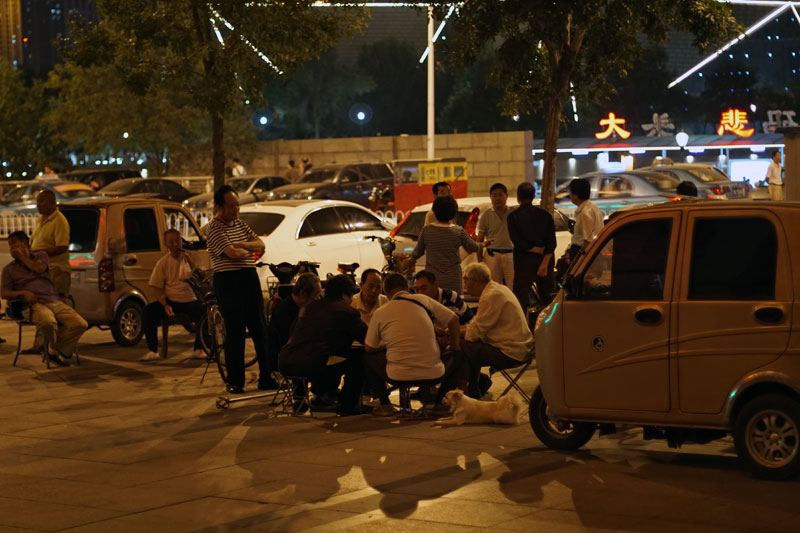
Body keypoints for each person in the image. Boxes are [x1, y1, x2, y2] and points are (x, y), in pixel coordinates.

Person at [364, 273, 467, 416]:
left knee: (366, 356)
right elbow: (454, 319)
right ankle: (440, 404)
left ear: (385, 293)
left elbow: (369, 347)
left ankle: (385, 404)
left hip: (397, 375)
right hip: (434, 373)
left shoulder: (380, 312)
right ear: (408, 287)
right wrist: (454, 347)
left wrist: (386, 345)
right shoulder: (423, 300)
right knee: (460, 355)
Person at [206, 185, 273, 394]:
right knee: (235, 331)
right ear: (219, 206)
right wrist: (245, 250)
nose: (236, 210)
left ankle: (266, 377)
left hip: (249, 279)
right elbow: (232, 254)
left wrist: (242, 244)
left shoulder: (241, 225)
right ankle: (235, 381)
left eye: (237, 205)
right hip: (228, 281)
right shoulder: (214, 228)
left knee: (260, 329)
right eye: (231, 206)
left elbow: (261, 245)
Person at [278, 275, 367, 415]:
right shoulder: (345, 311)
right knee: (358, 358)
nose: (351, 300)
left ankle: (323, 396)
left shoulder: (310, 307)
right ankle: (347, 405)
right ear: (345, 295)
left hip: (285, 362)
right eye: (351, 296)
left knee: (330, 355)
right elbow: (367, 338)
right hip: (312, 364)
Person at [1, 231, 87, 366]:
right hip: (32, 305)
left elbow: (39, 268)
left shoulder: (41, 256)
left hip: (53, 300)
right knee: (48, 322)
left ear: (25, 244)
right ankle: (53, 351)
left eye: (14, 245)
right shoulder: (9, 269)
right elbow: (4, 293)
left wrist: (23, 257)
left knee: (80, 324)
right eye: (10, 246)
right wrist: (23, 292)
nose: (12, 249)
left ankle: (55, 351)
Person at [460, 263, 534, 399]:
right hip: (519, 348)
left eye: (466, 280)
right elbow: (477, 325)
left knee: (464, 347)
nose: (465, 285)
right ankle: (476, 387)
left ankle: (472, 391)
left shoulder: (491, 296)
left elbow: (474, 333)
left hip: (511, 352)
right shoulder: (497, 289)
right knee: (468, 349)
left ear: (476, 281)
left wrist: (453, 332)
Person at [140, 229, 206, 362]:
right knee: (148, 311)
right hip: (172, 301)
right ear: (166, 245)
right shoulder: (163, 262)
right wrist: (165, 304)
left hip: (190, 300)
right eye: (172, 242)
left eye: (178, 240)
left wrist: (190, 262)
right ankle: (153, 350)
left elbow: (201, 278)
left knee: (205, 311)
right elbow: (156, 286)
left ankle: (199, 348)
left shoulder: (193, 257)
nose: (176, 244)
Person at [409, 195, 481, 294]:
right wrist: (483, 244)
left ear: (434, 211)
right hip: (453, 279)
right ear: (454, 213)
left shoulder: (427, 230)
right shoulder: (458, 231)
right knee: (454, 306)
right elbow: (473, 247)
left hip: (432, 280)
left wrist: (410, 261)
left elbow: (417, 252)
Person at [507, 182, 556, 311]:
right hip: (545, 263)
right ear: (533, 196)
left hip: (524, 264)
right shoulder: (546, 216)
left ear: (518, 198)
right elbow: (552, 243)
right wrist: (544, 263)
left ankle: (523, 328)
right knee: (548, 300)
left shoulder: (513, 217)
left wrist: (534, 249)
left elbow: (518, 243)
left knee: (521, 300)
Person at [267, 273, 321, 371]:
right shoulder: (285, 311)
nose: (318, 298)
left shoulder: (300, 307)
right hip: (285, 359)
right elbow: (289, 341)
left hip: (296, 354)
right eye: (316, 294)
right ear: (303, 293)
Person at [31, 189, 71, 298]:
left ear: (52, 202)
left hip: (56, 271)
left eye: (42, 201)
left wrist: (38, 253)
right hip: (43, 270)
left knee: (56, 305)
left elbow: (62, 247)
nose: (38, 205)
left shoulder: (59, 221)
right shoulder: (41, 219)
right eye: (37, 201)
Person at [476, 183, 514, 287]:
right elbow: (479, 239)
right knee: (493, 287)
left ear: (506, 196)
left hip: (511, 255)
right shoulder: (486, 215)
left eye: (500, 195)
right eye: (494, 195)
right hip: (492, 256)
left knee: (512, 287)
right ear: (491, 198)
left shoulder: (513, 214)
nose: (497, 198)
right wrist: (480, 260)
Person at [567, 178, 605, 260]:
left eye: (570, 192)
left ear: (576, 195)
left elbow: (588, 241)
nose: (569, 195)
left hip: (580, 252)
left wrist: (582, 261)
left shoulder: (585, 213)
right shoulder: (593, 207)